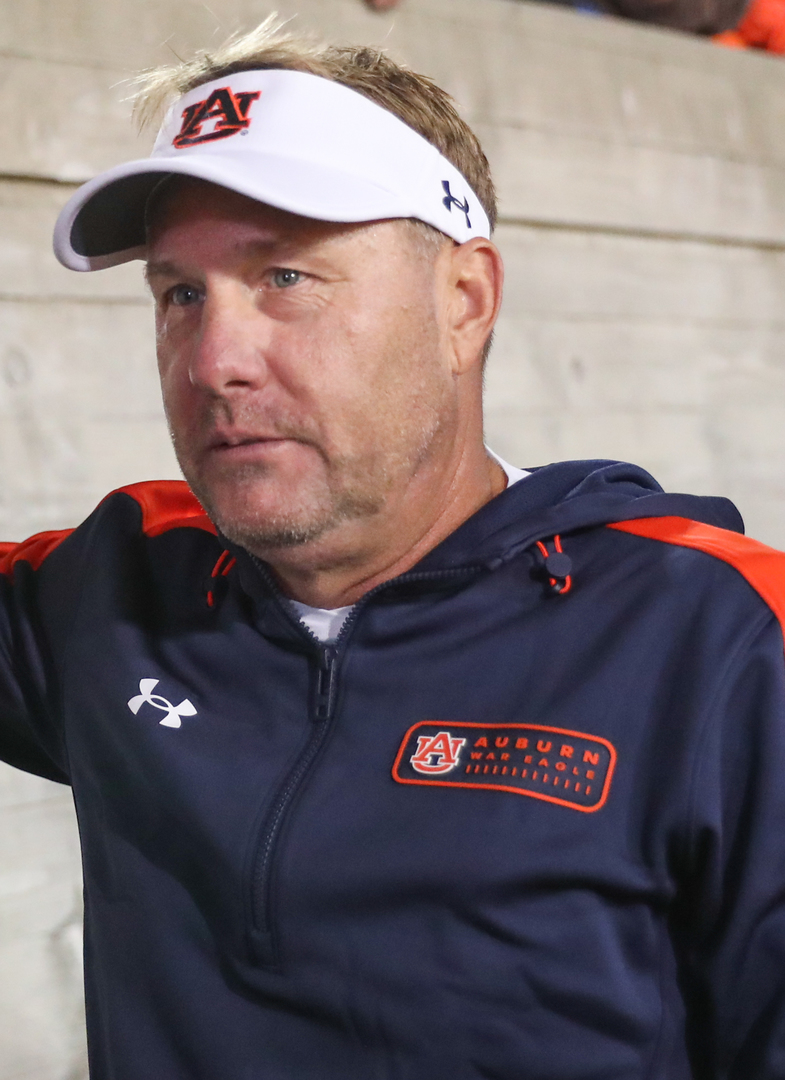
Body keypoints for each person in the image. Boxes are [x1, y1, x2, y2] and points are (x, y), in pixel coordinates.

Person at [4, 16, 785, 1080]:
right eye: (182, 294)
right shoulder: (113, 588)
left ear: (463, 303)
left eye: (286, 277)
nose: (215, 360)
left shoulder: (720, 641)